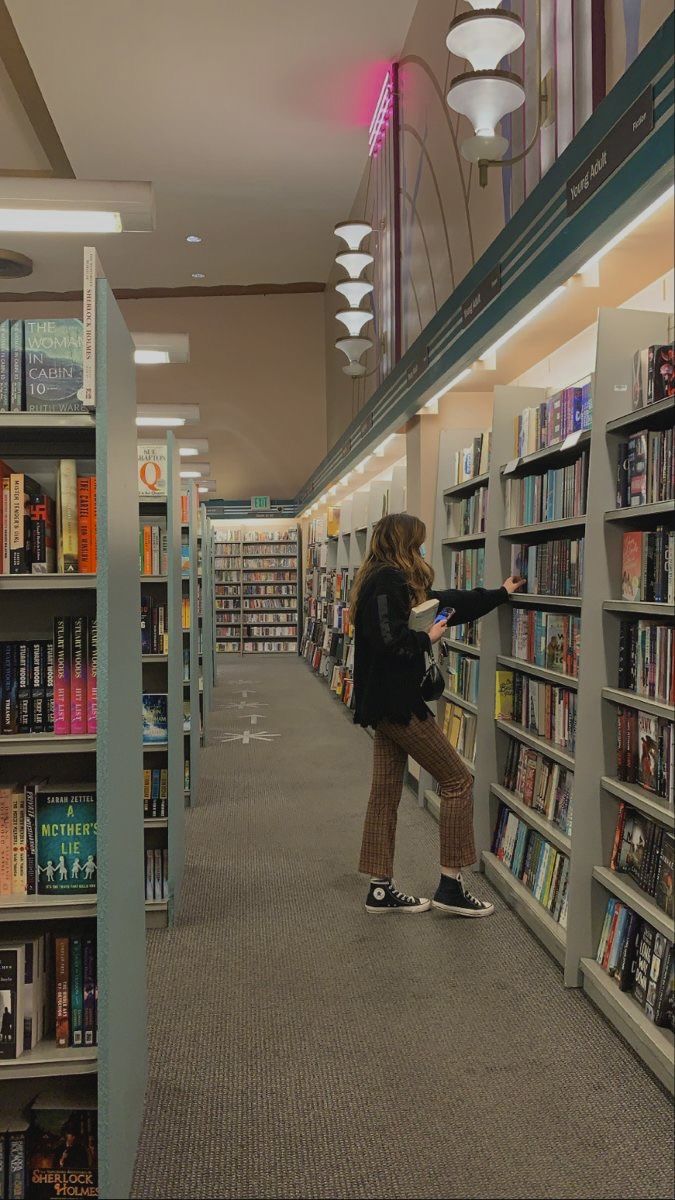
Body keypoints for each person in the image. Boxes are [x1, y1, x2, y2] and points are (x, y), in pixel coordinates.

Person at [350, 512, 525, 917]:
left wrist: (497, 594)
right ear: (404, 542)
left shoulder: (396, 581)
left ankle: (380, 888)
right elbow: (388, 642)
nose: (423, 548)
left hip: (386, 702)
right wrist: (425, 637)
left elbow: (450, 603)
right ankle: (451, 883)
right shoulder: (385, 583)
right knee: (458, 780)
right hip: (396, 704)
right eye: (419, 541)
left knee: (386, 788)